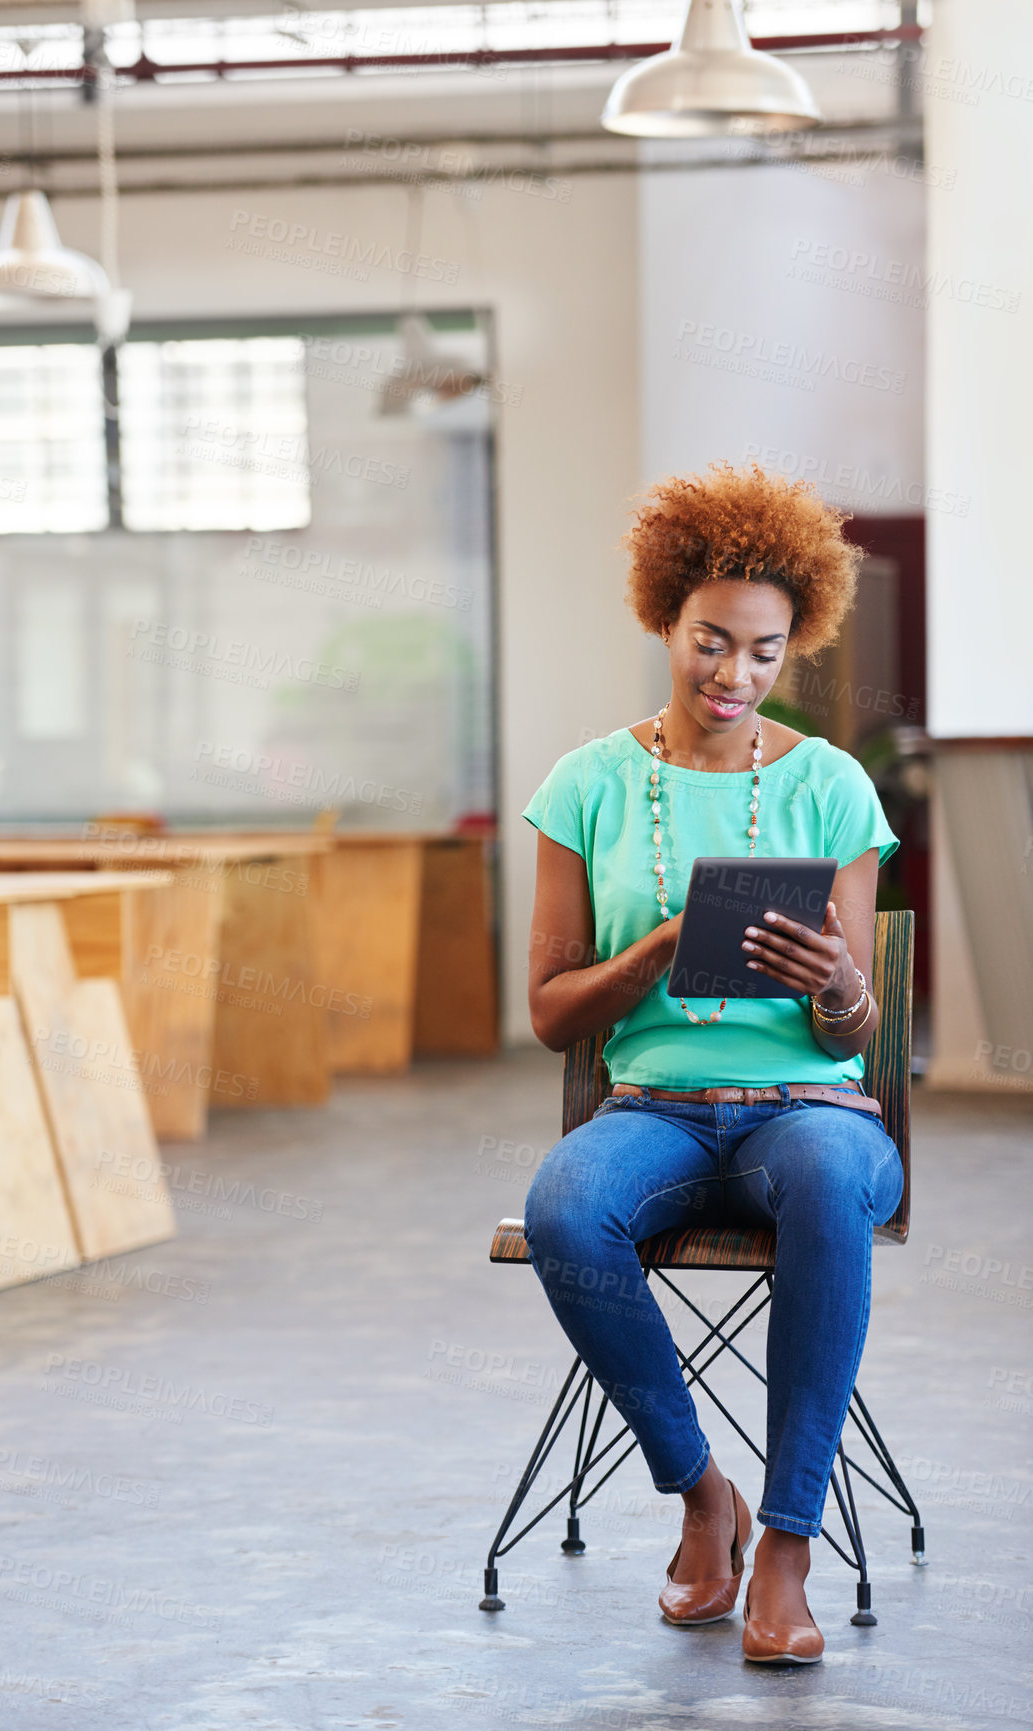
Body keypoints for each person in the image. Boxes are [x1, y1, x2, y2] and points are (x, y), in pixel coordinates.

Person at [521, 461, 904, 1666]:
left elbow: (857, 1030)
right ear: (664, 620)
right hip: (660, 1109)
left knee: (833, 1187)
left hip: (811, 1109)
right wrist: (663, 947)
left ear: (793, 650)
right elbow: (547, 1011)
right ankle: (703, 1496)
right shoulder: (585, 785)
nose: (734, 676)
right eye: (710, 643)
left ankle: (787, 1543)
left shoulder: (831, 785)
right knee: (566, 1209)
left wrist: (842, 989)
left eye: (763, 652)